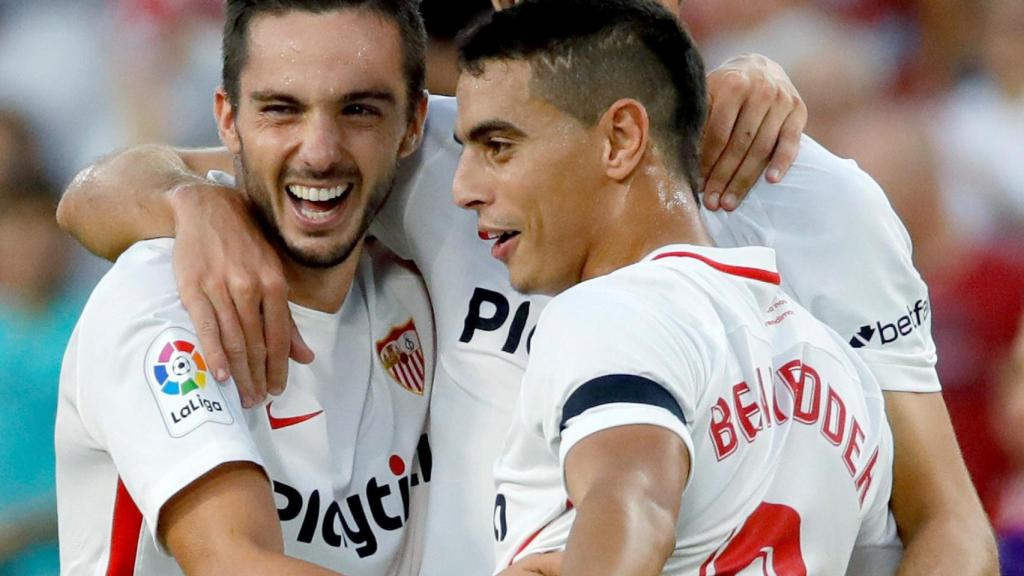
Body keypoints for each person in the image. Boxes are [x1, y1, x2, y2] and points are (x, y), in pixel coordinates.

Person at [56, 1, 998, 575]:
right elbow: (93, 197)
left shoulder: (819, 206)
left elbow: (951, 529)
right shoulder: (441, 147)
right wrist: (197, 205)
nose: (473, 185)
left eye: (495, 151)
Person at [453, 2, 896, 573]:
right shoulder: (837, 369)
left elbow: (635, 502)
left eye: (499, 146)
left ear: (621, 138)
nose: (463, 187)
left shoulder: (610, 314)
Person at [56, 1, 435, 574]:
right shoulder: (158, 300)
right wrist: (188, 199)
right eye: (281, 110)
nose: (320, 152)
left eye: (358, 110)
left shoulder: (421, 285)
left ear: (413, 124)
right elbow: (235, 560)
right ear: (227, 119)